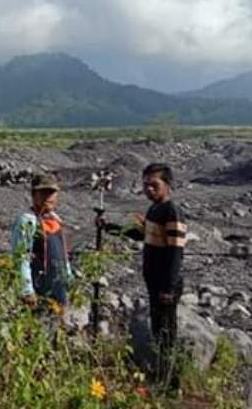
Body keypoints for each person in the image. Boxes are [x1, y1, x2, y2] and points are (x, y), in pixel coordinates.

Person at [98, 162, 186, 385]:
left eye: (154, 185)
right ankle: (162, 376)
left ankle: (169, 382)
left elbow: (176, 252)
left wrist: (168, 287)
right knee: (159, 330)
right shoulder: (154, 209)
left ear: (168, 184)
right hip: (155, 281)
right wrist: (109, 227)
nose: (149, 190)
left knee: (166, 333)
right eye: (145, 185)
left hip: (165, 284)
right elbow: (140, 235)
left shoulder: (171, 211)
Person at [11, 173, 73, 309]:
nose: (48, 197)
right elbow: (21, 258)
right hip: (38, 290)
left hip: (58, 291)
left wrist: (68, 279)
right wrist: (26, 291)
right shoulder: (27, 221)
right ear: (33, 195)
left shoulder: (55, 220)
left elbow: (63, 255)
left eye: (52, 192)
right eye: (43, 192)